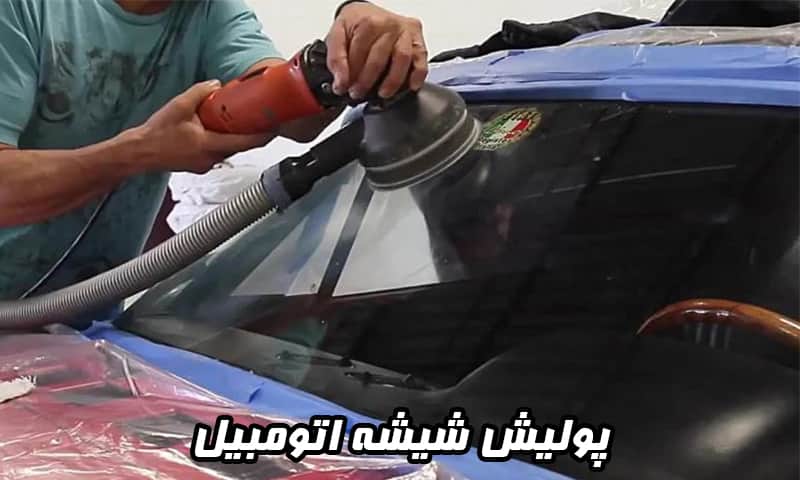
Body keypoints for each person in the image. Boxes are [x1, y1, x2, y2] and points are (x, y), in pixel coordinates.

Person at [0, 0, 428, 305]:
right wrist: (140, 152)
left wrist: (347, 50)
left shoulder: (209, 12)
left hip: (78, 322)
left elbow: (293, 116)